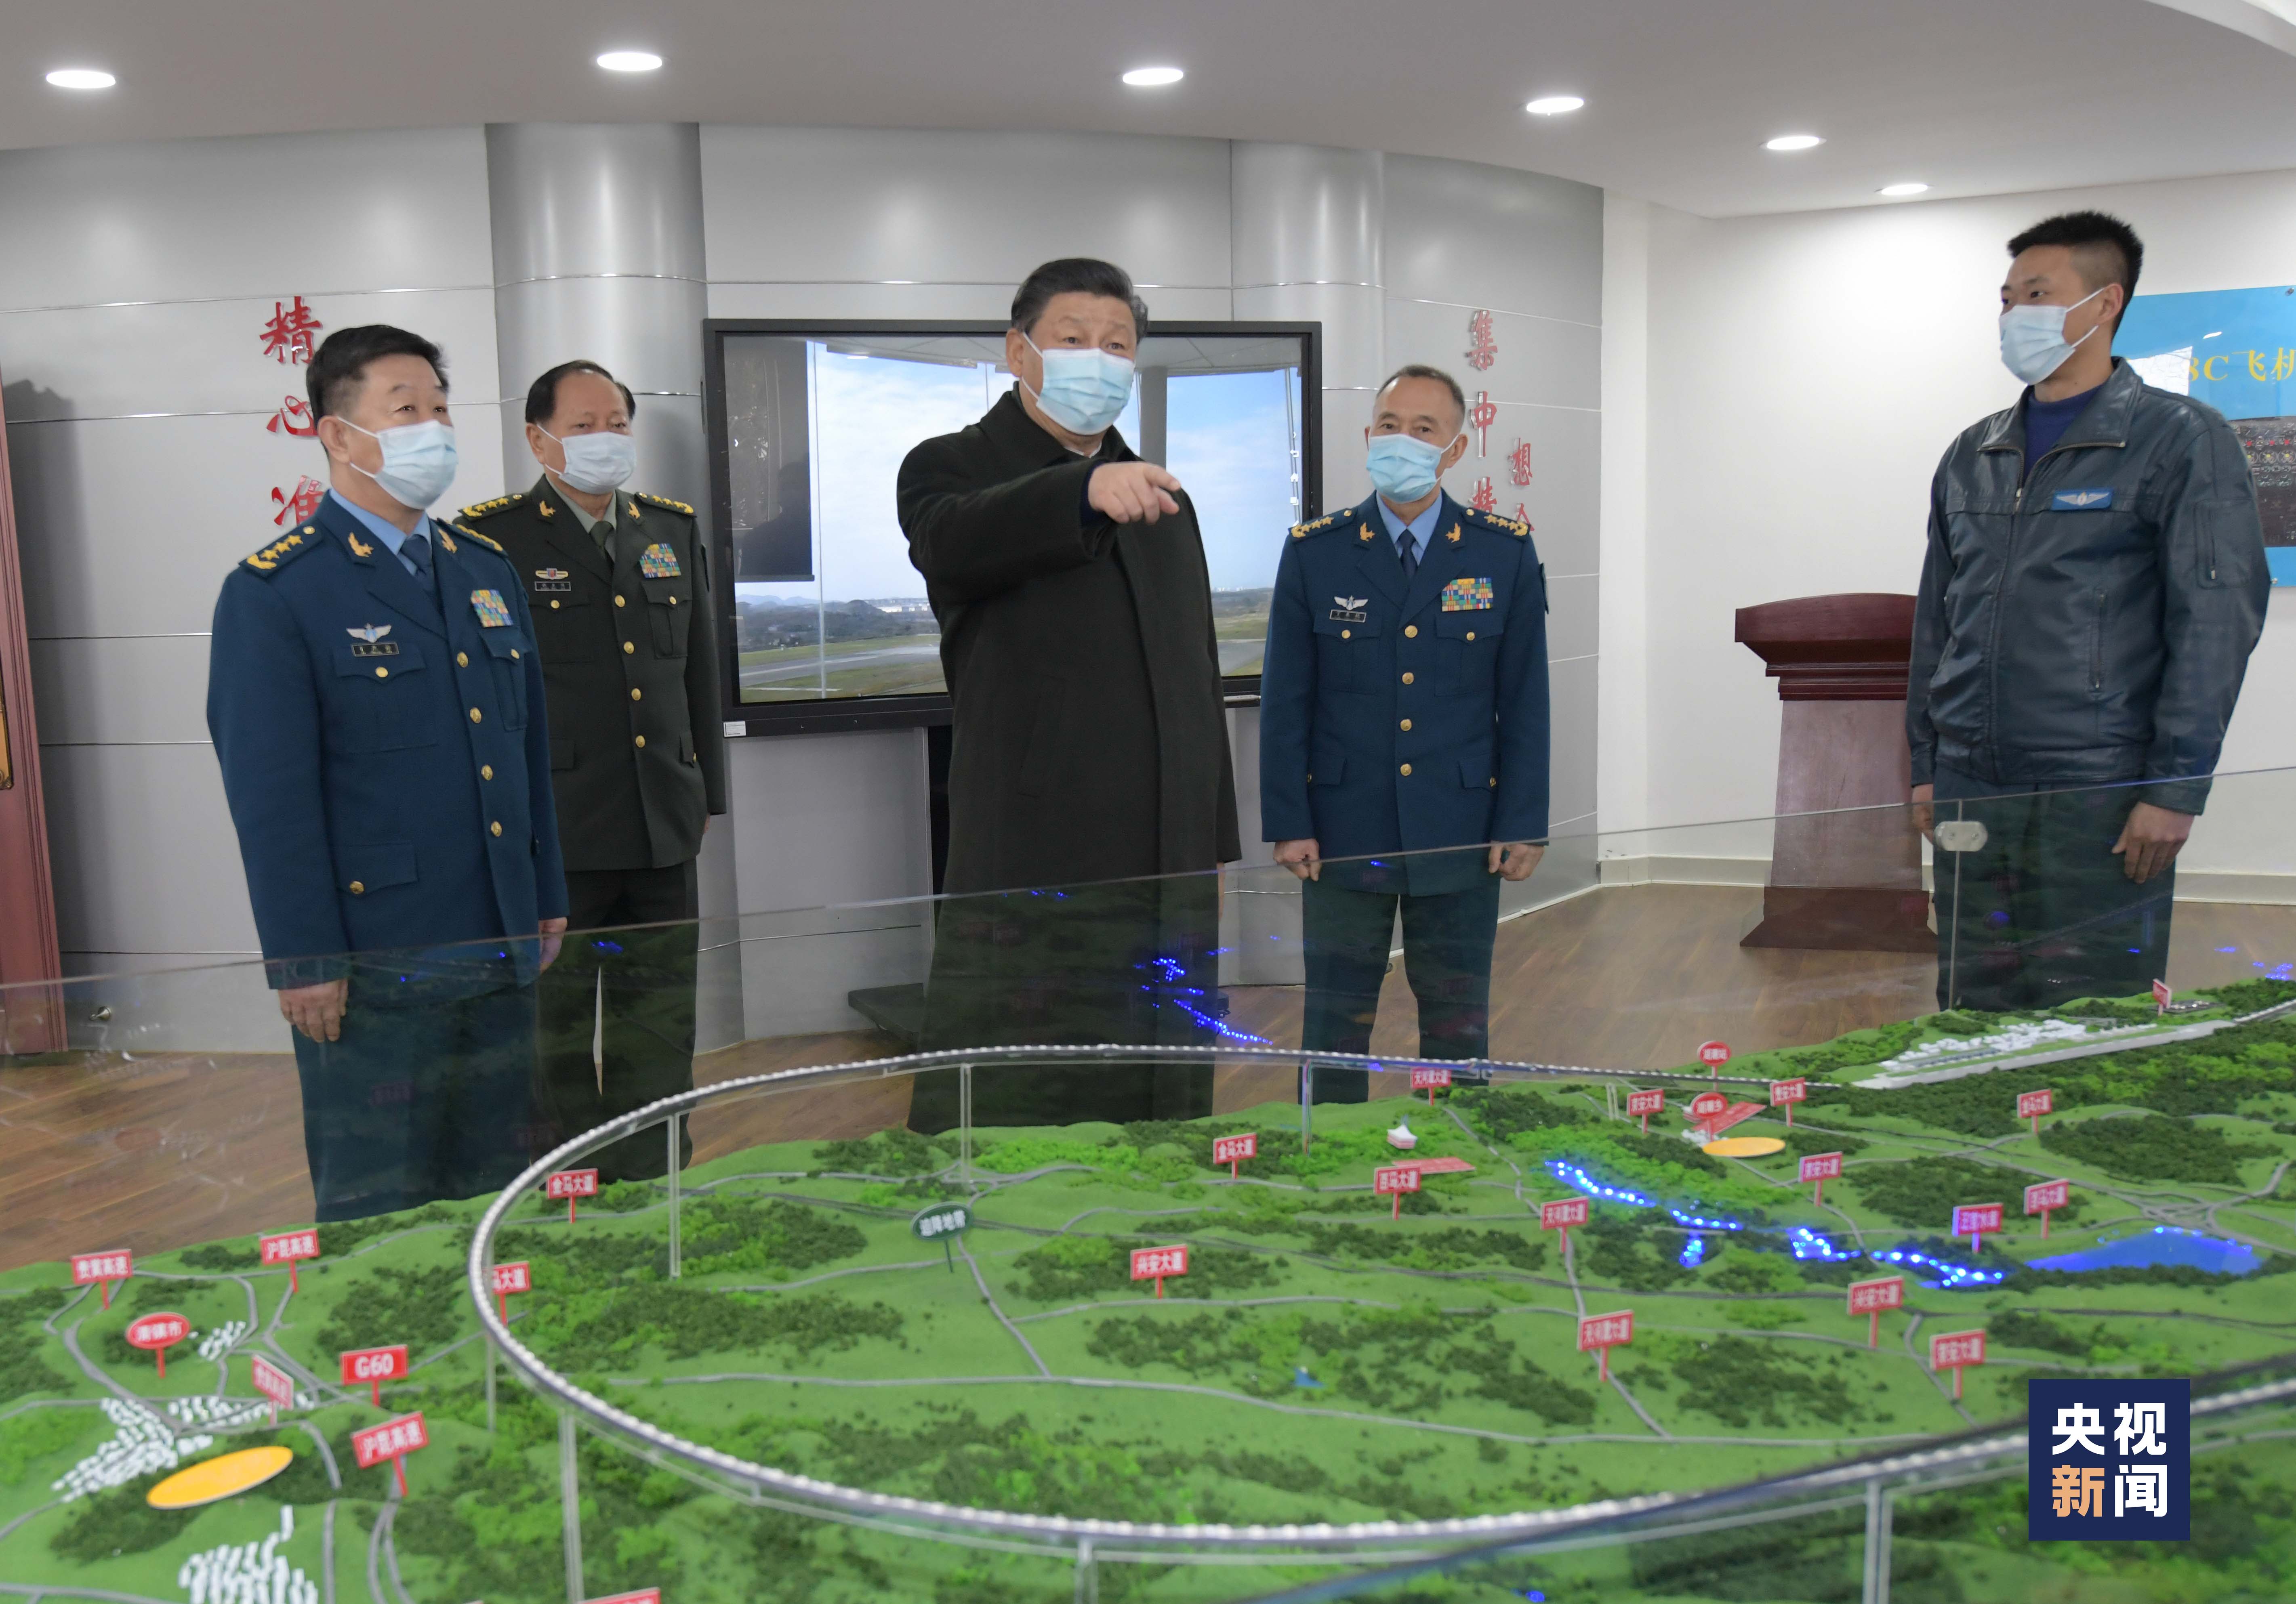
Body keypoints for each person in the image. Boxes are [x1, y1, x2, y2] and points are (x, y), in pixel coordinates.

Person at [207, 325, 568, 1220]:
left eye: (440, 409)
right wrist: (305, 960)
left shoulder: (484, 571)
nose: (432, 429)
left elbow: (526, 750)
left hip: (498, 941)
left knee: (501, 1191)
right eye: (405, 410)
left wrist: (545, 895)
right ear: (337, 434)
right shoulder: (277, 592)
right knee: (383, 1198)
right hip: (374, 963)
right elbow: (272, 803)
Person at [896, 257, 1241, 1128]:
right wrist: (1080, 491)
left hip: (1165, 839)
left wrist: (1215, 838)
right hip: (1035, 836)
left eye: (1116, 345)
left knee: (1159, 1062)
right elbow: (951, 544)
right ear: (1020, 352)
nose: (1098, 359)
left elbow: (1198, 675)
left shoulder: (1161, 495)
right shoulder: (951, 467)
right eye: (1074, 339)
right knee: (1026, 1061)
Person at [1907, 211, 2268, 1011]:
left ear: (2105, 303)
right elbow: (1937, 620)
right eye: (2007, 299)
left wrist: (2174, 790)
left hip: (2098, 782)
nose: (2014, 315)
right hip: (1972, 779)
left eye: (2037, 295)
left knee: (2090, 1003)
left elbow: (2214, 623)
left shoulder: (2180, 439)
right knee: (1972, 996)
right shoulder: (1974, 452)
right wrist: (1926, 766)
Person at [460, 361, 726, 1181]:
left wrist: (706, 792)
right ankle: (569, 1181)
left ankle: (654, 1176)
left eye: (616, 423)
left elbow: (698, 673)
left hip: (661, 824)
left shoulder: (668, 529)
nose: (604, 439)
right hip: (558, 830)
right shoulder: (491, 540)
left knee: (661, 1022)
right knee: (559, 1031)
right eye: (583, 426)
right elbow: (486, 700)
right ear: (538, 439)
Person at [1259, 365, 1550, 1093]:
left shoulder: (1501, 551)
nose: (1403, 441)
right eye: (1390, 426)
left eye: (1424, 429)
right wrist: (1289, 822)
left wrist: (1523, 822)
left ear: (1454, 449)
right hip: (1343, 827)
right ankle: (1328, 1145)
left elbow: (1524, 701)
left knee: (1457, 1018)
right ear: (1368, 436)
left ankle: (1458, 1143)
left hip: (1460, 827)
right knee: (1336, 1018)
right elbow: (1287, 700)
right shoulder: (1317, 551)